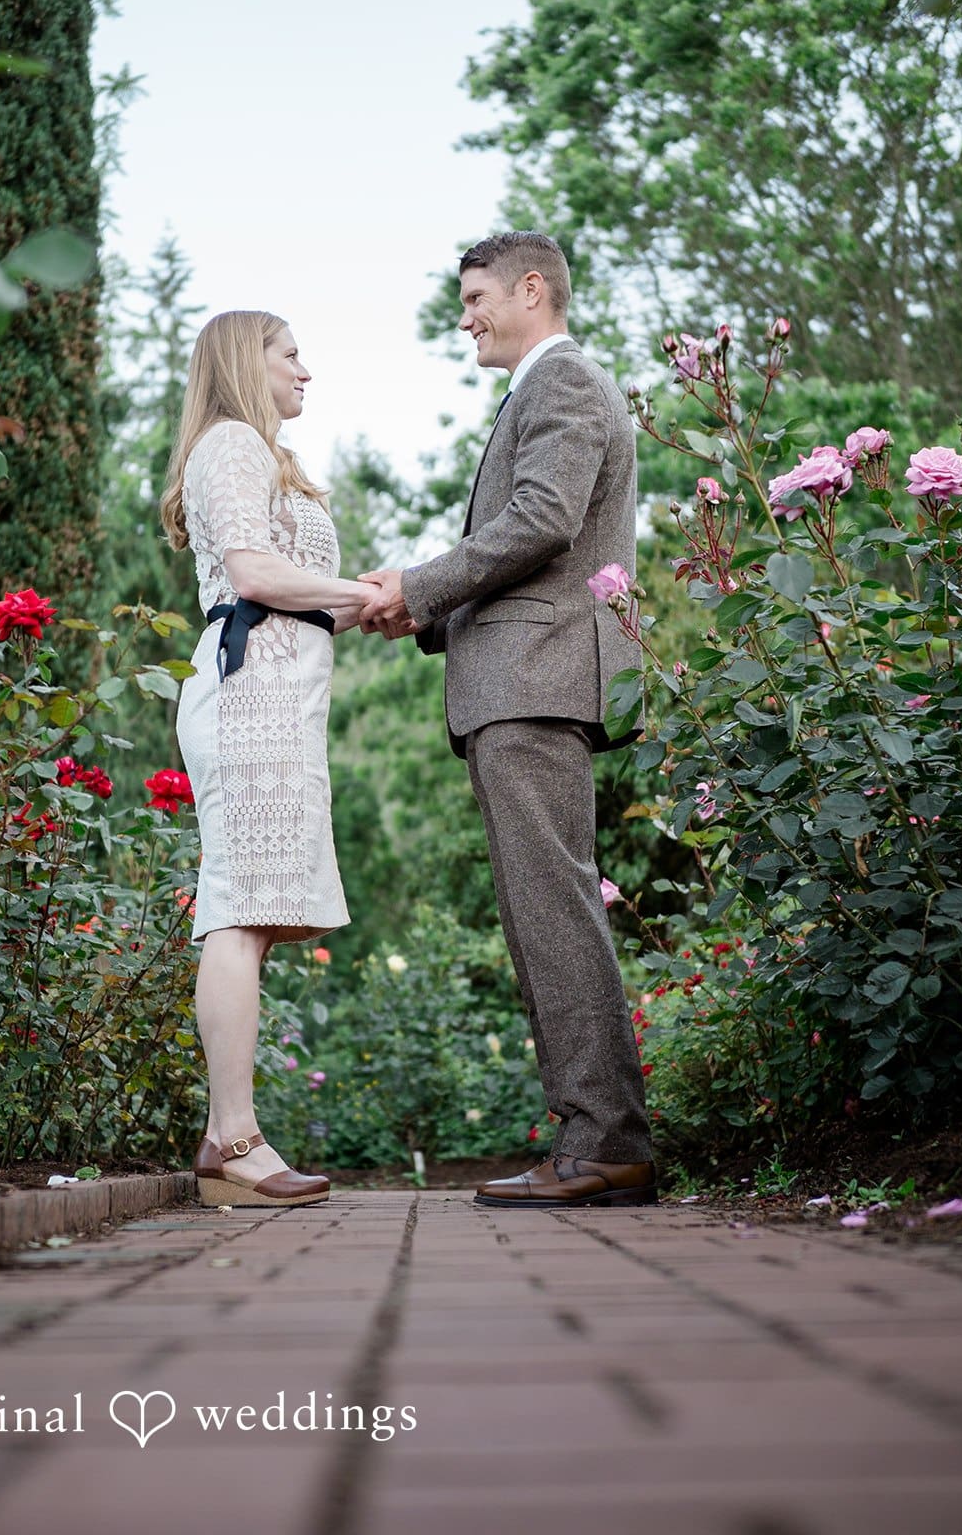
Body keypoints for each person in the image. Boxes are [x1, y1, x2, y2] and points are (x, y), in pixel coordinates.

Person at [359, 232, 657, 1207]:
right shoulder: (541, 389)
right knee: (544, 913)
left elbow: (540, 520)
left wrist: (418, 585)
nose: (466, 316)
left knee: (554, 909)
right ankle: (593, 1136)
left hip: (535, 682)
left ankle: (605, 1140)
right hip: (517, 683)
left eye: (478, 296)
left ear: (534, 289)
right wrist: (426, 604)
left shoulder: (561, 382)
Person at [159, 310, 379, 1207]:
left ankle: (229, 1135)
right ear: (246, 362)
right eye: (290, 353)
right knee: (240, 912)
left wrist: (354, 603)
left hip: (277, 698)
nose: (306, 369)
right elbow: (252, 572)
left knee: (251, 914)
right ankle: (234, 1141)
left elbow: (287, 585)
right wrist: (361, 593)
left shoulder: (257, 452)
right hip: (250, 696)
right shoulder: (234, 445)